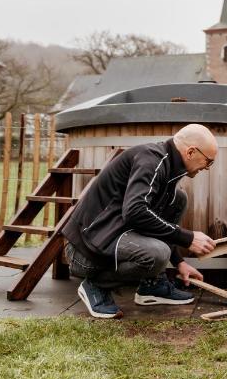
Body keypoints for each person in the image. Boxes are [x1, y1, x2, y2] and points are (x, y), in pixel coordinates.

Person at [63, 123, 217, 318]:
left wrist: (178, 262)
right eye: (209, 161)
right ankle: (96, 285)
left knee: (178, 199)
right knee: (157, 253)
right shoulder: (151, 161)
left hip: (113, 237)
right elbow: (135, 212)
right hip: (86, 253)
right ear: (191, 152)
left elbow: (152, 221)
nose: (208, 167)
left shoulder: (168, 167)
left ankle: (152, 285)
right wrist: (187, 238)